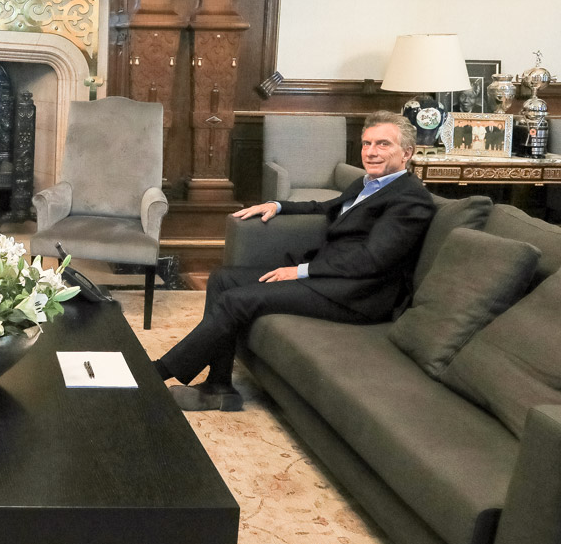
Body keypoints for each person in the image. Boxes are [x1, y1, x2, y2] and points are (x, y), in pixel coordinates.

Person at [154, 110, 435, 412]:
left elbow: (372, 259)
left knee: (236, 301)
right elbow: (326, 208)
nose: (371, 152)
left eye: (383, 144)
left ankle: (157, 372)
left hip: (358, 295)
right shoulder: (367, 183)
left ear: (407, 153)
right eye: (367, 144)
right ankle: (219, 386)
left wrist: (302, 271)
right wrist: (277, 205)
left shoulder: (410, 198)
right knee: (224, 279)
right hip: (330, 279)